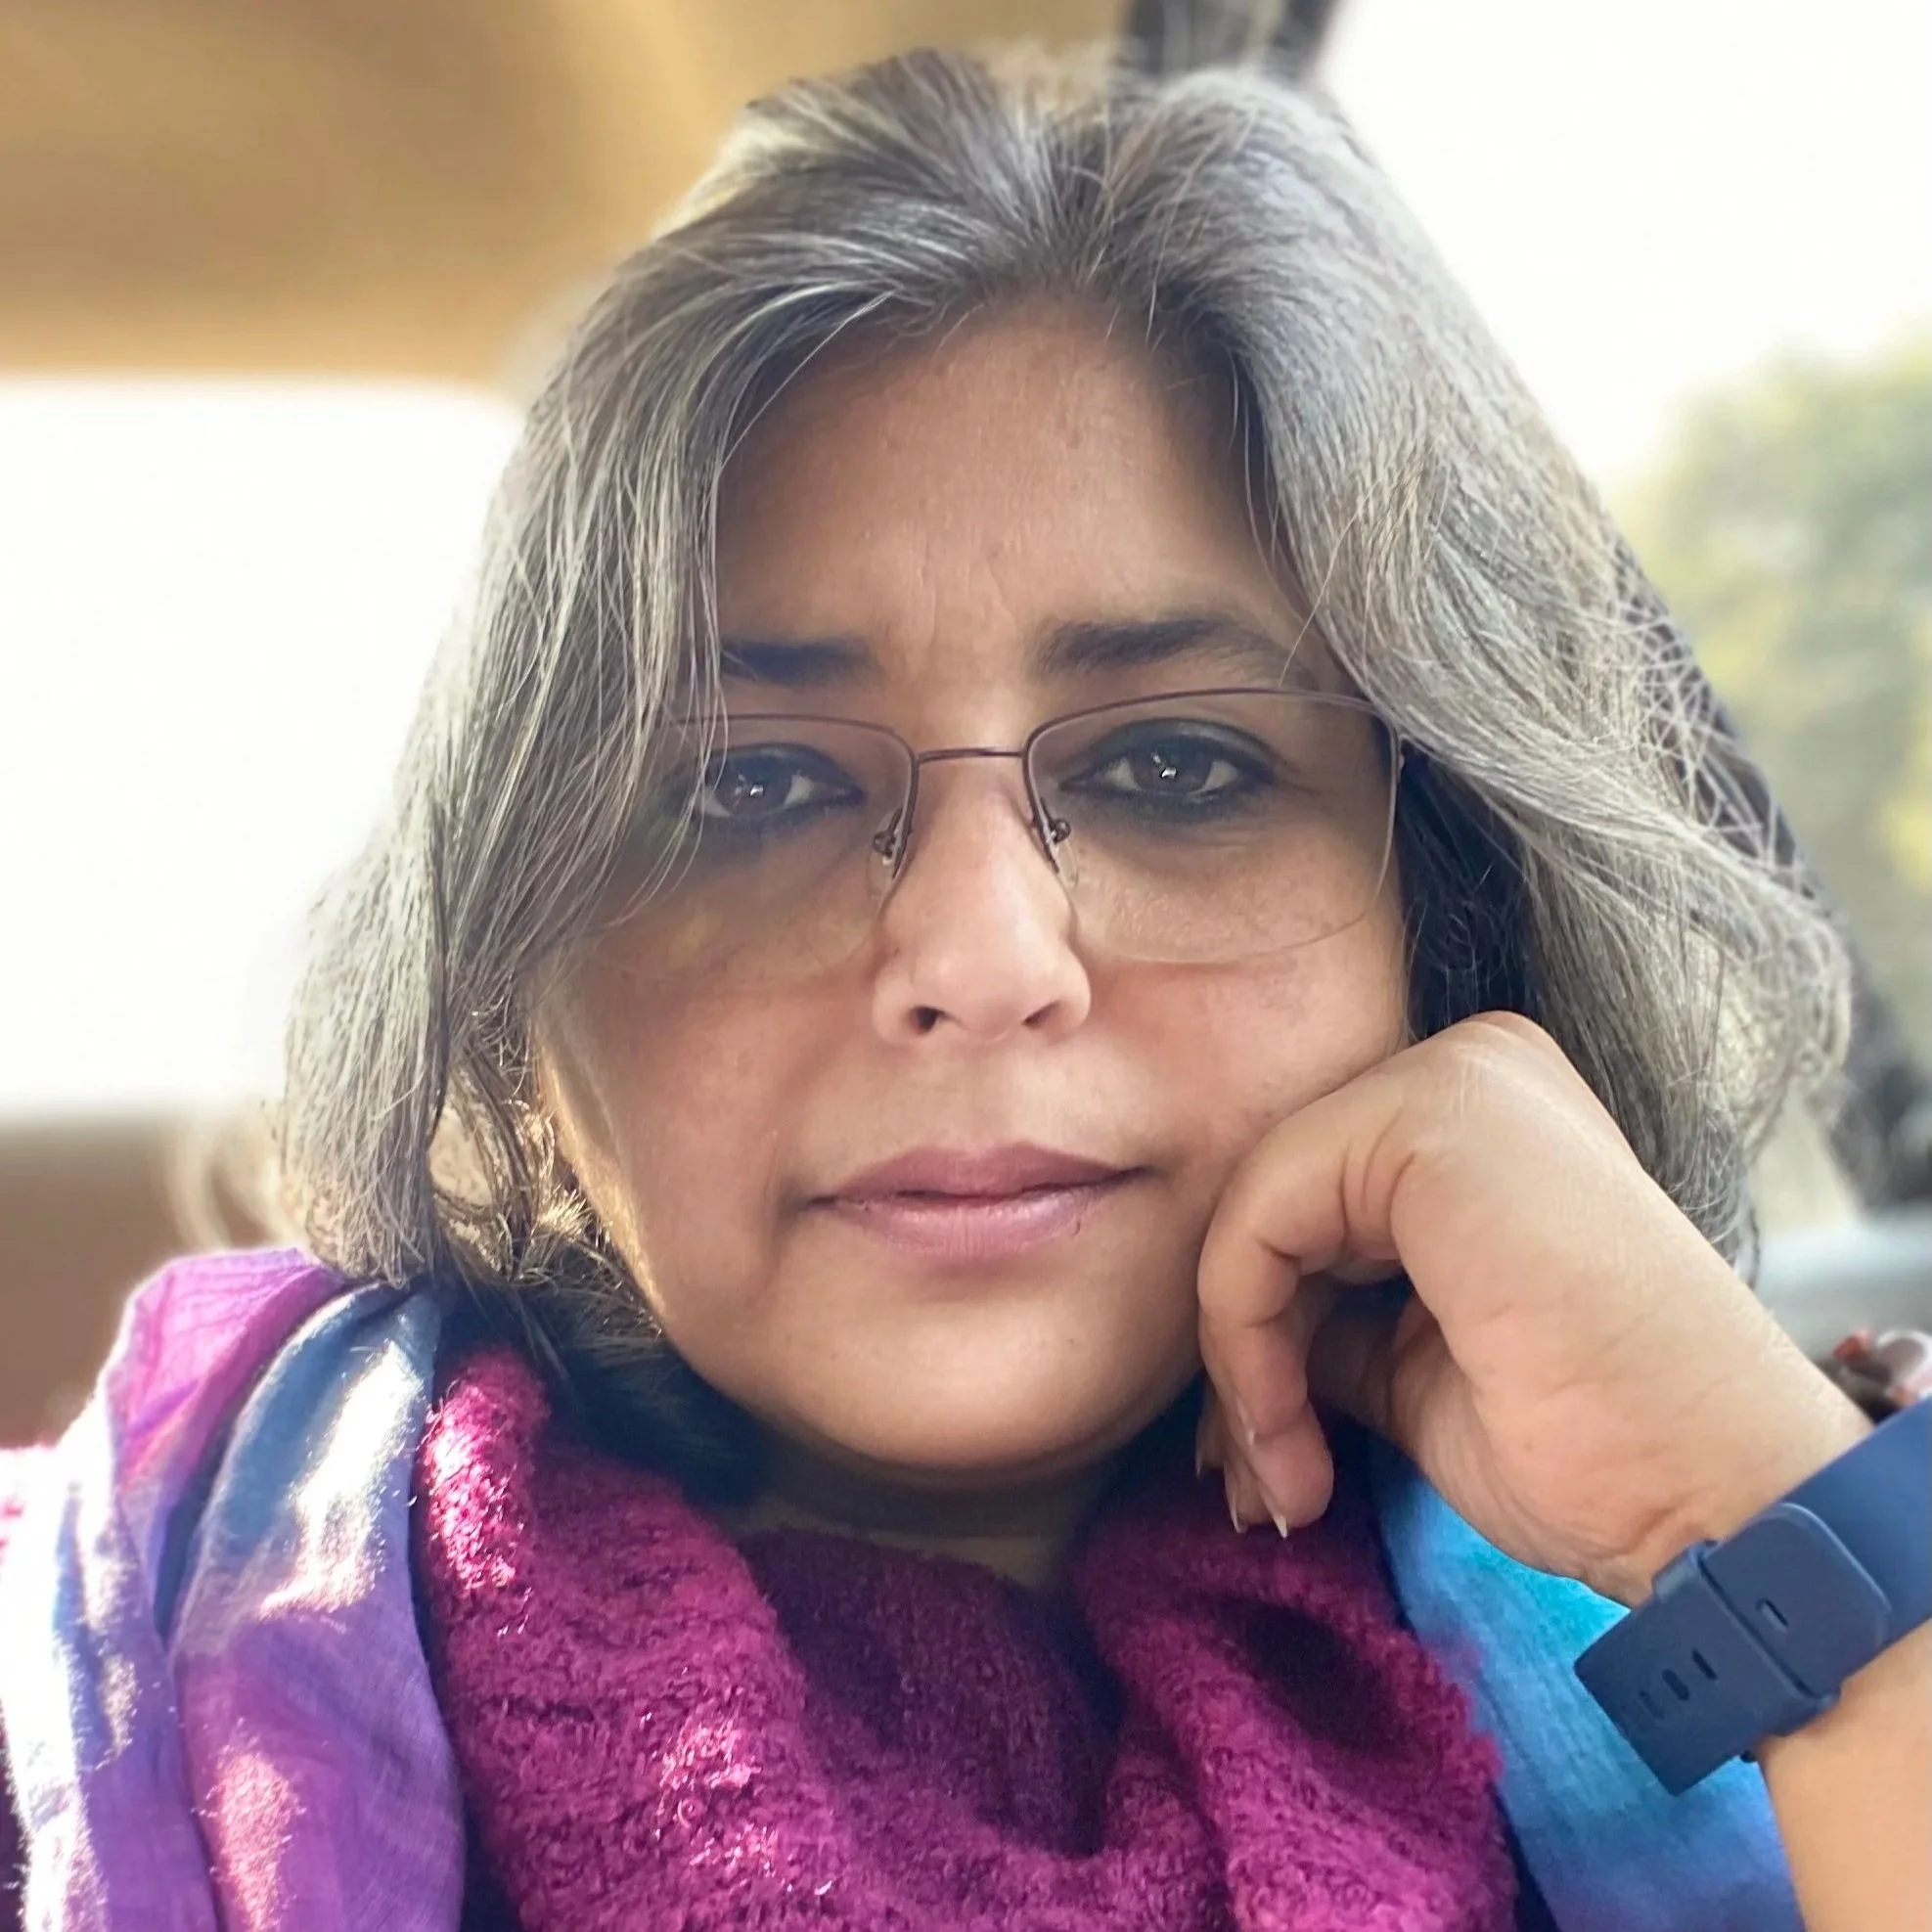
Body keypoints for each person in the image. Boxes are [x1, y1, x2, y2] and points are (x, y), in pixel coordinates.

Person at [0, 45, 1922, 1932]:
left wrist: (1808, 1580)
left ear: (1446, 925)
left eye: (1177, 767)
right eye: (746, 786)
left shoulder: (1722, 1563)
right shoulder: (87, 1693)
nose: (981, 961)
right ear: (513, 981)